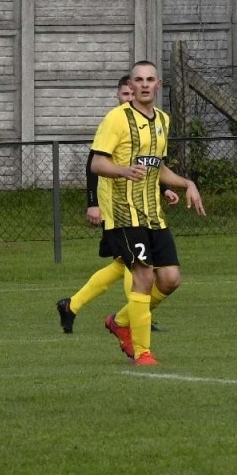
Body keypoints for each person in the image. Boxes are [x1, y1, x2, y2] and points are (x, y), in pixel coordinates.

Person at [87, 60, 205, 367]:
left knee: (170, 279)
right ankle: (143, 353)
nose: (143, 84)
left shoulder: (163, 120)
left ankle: (120, 321)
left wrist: (186, 183)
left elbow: (159, 168)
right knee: (142, 276)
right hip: (125, 213)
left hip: (153, 214)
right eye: (138, 79)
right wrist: (123, 170)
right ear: (132, 84)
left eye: (149, 79)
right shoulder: (117, 119)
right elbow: (97, 164)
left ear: (158, 85)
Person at [54, 74, 177, 334]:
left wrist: (165, 189)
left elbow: (150, 165)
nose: (132, 98)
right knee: (136, 265)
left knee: (125, 263)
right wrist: (93, 203)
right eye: (126, 94)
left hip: (142, 205)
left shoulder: (151, 121)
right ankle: (136, 314)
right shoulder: (115, 121)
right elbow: (94, 166)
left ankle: (73, 305)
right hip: (118, 205)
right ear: (121, 94)